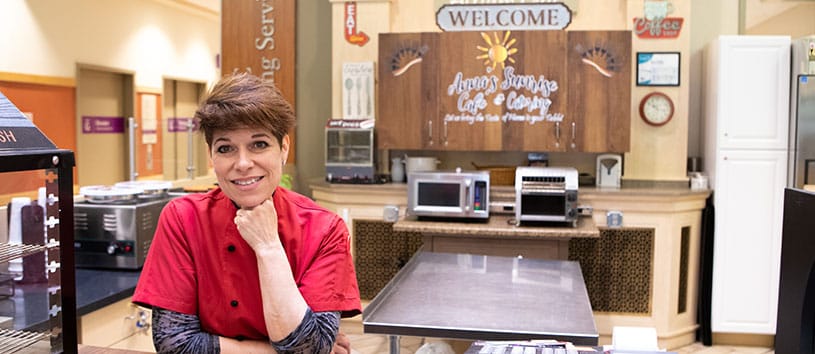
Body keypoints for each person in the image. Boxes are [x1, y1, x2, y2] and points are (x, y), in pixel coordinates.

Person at [133, 73, 362, 354]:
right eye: (226, 148)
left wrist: (268, 246)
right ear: (211, 156)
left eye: (259, 144)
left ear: (284, 148)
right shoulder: (183, 218)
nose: (242, 163)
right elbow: (174, 344)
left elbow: (308, 347)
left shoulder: (325, 229)